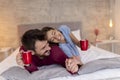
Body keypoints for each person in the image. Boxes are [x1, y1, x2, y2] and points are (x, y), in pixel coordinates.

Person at [16, 29, 81, 74]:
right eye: (43, 47)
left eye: (47, 43)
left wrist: (74, 67)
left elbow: (70, 64)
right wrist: (27, 64)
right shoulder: (25, 52)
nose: (49, 48)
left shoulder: (55, 52)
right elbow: (34, 71)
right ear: (31, 52)